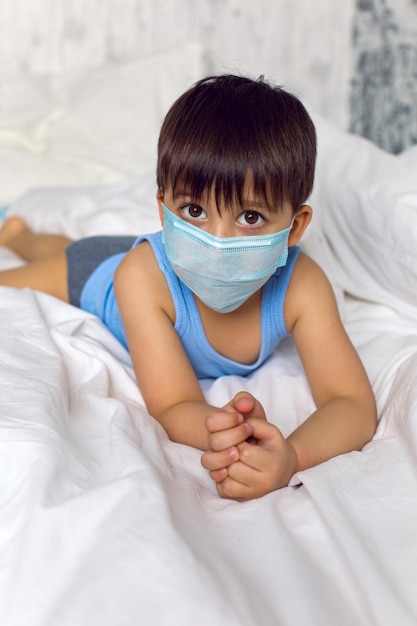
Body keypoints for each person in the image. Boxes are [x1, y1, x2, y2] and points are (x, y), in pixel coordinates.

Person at [0, 74, 377, 500]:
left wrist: (290, 456)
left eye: (250, 218)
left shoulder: (302, 286)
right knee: (50, 264)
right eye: (194, 210)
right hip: (98, 272)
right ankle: (18, 238)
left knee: (75, 248)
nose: (217, 243)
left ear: (295, 228)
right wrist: (227, 435)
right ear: (163, 211)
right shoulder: (139, 276)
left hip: (144, 260)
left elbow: (353, 403)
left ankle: (22, 238)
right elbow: (173, 404)